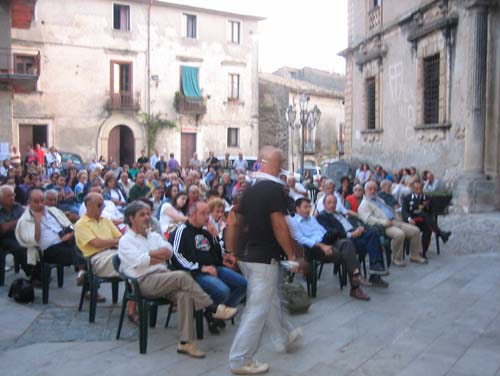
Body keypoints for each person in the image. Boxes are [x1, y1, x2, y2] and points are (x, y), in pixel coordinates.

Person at [118, 201, 237, 358]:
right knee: (182, 275)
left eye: (148, 213)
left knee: (185, 295)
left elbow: (169, 251)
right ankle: (213, 308)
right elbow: (139, 262)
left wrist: (151, 255)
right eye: (142, 214)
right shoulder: (126, 241)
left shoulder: (153, 236)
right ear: (131, 219)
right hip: (144, 281)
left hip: (164, 276)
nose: (147, 217)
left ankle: (185, 343)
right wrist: (155, 256)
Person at [227, 146, 305, 375]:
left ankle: (284, 335)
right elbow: (279, 225)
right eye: (280, 161)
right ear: (274, 164)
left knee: (269, 300)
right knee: (256, 309)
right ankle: (240, 359)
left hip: (246, 256)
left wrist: (231, 251)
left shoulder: (248, 188)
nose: (281, 165)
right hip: (262, 259)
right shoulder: (273, 189)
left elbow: (233, 220)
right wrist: (291, 254)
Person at [170, 201, 247, 334]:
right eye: (203, 213)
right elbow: (176, 256)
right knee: (223, 290)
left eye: (207, 213)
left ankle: (214, 313)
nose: (207, 217)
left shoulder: (206, 231)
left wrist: (215, 238)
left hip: (214, 268)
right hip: (194, 273)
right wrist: (200, 268)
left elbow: (217, 254)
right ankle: (214, 311)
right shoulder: (181, 231)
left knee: (243, 284)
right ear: (192, 215)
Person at [291, 197, 372, 299]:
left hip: (327, 242)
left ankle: (356, 274)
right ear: (297, 208)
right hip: (314, 248)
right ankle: (355, 288)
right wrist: (322, 245)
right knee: (344, 254)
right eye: (305, 207)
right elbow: (301, 239)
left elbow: (322, 230)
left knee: (347, 243)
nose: (308, 209)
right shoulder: (294, 222)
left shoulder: (312, 219)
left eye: (309, 207)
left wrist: (330, 238)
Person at [15, 190, 86, 286]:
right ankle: (85, 276)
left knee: (82, 241)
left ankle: (83, 273)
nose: (40, 204)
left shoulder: (52, 211)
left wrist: (70, 234)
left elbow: (69, 226)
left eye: (42, 201)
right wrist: (37, 221)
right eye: (36, 202)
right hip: (48, 251)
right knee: (84, 253)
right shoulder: (26, 219)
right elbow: (34, 240)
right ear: (29, 203)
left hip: (65, 242)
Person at [317, 193, 389, 282]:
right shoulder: (322, 216)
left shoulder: (338, 213)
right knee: (372, 245)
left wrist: (358, 229)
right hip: (345, 240)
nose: (332, 205)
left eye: (334, 203)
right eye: (329, 203)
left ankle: (376, 267)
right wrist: (351, 234)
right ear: (324, 204)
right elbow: (332, 232)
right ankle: (374, 275)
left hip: (354, 233)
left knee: (373, 234)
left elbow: (349, 224)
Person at [358, 181, 427, 266]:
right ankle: (396, 258)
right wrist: (384, 222)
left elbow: (388, 210)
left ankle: (415, 255)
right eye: (370, 189)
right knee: (400, 234)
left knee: (416, 231)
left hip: (394, 221)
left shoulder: (379, 199)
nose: (373, 191)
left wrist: (397, 217)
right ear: (365, 191)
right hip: (384, 226)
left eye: (375, 189)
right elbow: (369, 220)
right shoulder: (364, 205)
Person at [402, 181, 451, 257]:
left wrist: (427, 206)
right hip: (412, 220)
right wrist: (409, 219)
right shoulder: (407, 198)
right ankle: (441, 234)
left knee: (428, 229)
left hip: (424, 221)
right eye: (416, 189)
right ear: (413, 189)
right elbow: (404, 211)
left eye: (420, 188)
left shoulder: (427, 198)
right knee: (424, 215)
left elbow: (432, 211)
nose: (419, 191)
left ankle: (423, 252)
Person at [0, 185, 30, 279]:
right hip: (4, 238)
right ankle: (32, 274)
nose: (12, 198)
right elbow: (3, 228)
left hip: (18, 233)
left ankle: (37, 272)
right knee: (20, 247)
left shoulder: (17, 206)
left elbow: (27, 219)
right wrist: (18, 221)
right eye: (9, 196)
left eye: (13, 195)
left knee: (36, 242)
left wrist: (13, 224)